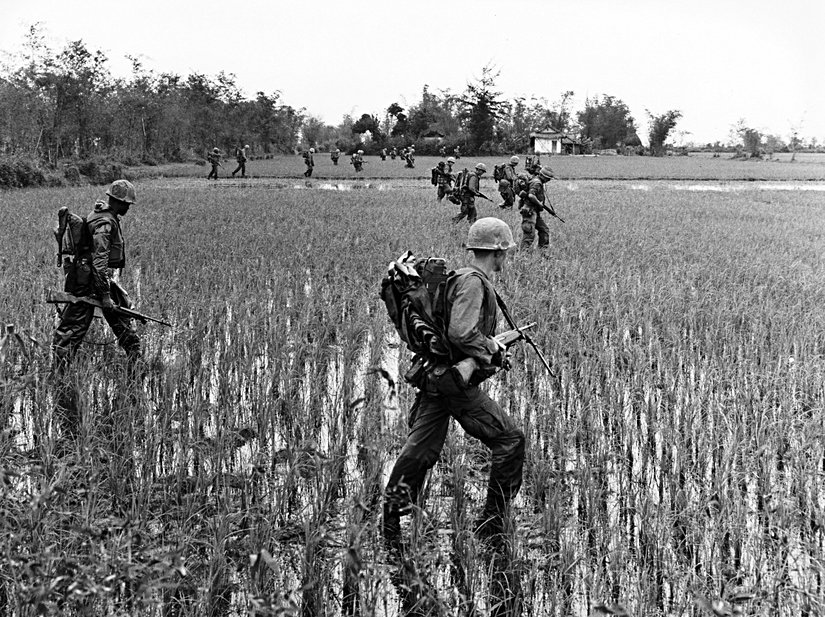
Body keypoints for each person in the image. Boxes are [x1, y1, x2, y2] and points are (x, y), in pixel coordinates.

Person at [383, 217, 525, 553]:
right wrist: (490, 348)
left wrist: (485, 346)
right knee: (510, 440)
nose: (506, 258)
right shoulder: (473, 282)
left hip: (437, 378)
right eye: (506, 252)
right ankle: (492, 522)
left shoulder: (462, 277)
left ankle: (389, 522)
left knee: (419, 451)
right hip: (453, 383)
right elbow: (461, 333)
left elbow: (455, 334)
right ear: (499, 252)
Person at [52, 180, 142, 437]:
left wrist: (107, 293)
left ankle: (136, 361)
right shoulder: (105, 222)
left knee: (120, 318)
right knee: (72, 329)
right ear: (119, 202)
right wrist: (103, 295)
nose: (128, 208)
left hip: (94, 280)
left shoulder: (104, 214)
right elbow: (99, 261)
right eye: (126, 204)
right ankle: (59, 377)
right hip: (89, 283)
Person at [518, 165, 554, 250]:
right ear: (542, 176)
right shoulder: (537, 182)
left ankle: (543, 252)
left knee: (544, 230)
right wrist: (539, 204)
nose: (548, 181)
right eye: (547, 178)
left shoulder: (538, 181)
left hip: (535, 211)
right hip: (529, 210)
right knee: (529, 233)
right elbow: (531, 195)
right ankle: (523, 255)